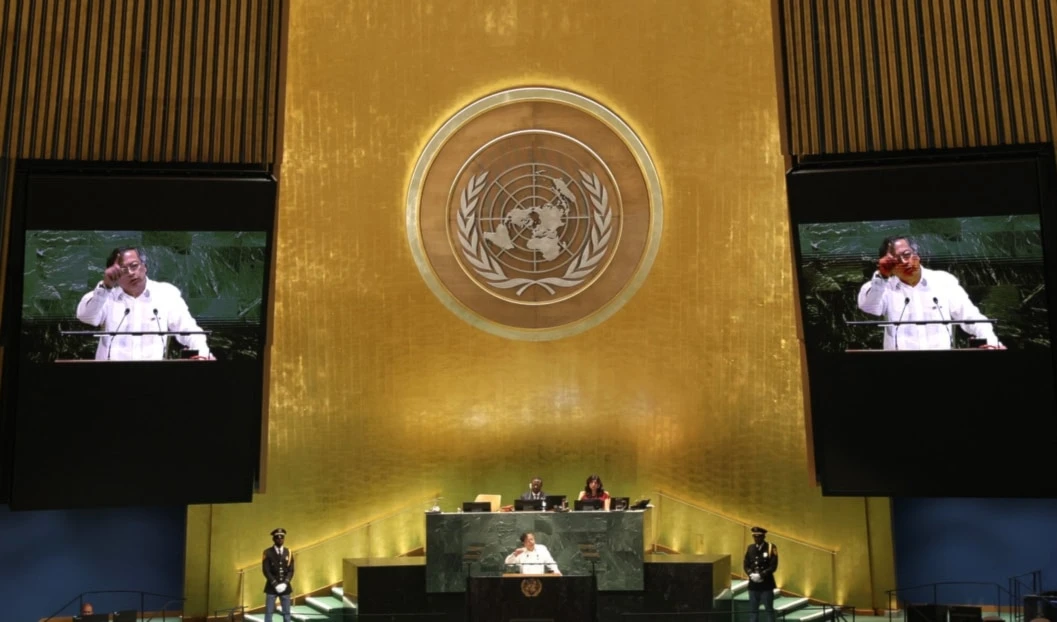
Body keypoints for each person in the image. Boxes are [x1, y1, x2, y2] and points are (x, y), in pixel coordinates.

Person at [857, 236, 1004, 350]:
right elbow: (869, 307)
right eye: (895, 260)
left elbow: (969, 316)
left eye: (907, 254)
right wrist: (882, 277)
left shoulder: (943, 280)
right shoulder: (883, 287)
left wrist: (991, 340)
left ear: (917, 255)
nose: (904, 262)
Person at [75, 246, 213, 360]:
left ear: (144, 267)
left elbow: (188, 330)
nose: (130, 273)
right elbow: (86, 317)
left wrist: (202, 353)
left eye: (134, 266)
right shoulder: (106, 296)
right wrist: (106, 286)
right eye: (122, 270)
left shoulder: (166, 293)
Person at [744, 526, 778, 622]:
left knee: (769, 611)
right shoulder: (750, 548)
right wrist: (751, 574)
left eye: (758, 536)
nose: (756, 539)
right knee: (753, 611)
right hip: (753, 585)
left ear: (763, 537)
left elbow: (773, 566)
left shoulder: (771, 547)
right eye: (754, 536)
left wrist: (761, 575)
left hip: (766, 585)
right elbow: (746, 564)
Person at [263, 527, 295, 622]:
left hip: (285, 587)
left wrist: (285, 583)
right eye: (277, 538)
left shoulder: (288, 552)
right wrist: (275, 584)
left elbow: (291, 570)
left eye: (282, 538)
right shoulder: (267, 552)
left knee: (287, 613)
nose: (280, 539)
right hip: (272, 587)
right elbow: (266, 570)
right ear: (274, 539)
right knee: (269, 612)